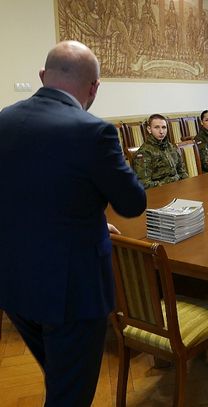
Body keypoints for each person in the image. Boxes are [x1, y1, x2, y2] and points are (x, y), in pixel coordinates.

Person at [0, 41, 146, 406]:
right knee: (71, 393)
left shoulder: (4, 120)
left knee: (61, 378)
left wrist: (88, 216)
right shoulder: (94, 132)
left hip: (15, 285)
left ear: (42, 76)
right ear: (95, 87)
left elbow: (34, 191)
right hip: (73, 293)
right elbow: (132, 203)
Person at [133, 113, 189, 188]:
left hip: (178, 188)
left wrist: (187, 185)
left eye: (164, 127)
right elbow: (144, 184)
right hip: (160, 192)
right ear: (149, 129)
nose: (161, 131)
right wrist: (171, 182)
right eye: (156, 127)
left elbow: (181, 171)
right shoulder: (144, 152)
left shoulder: (171, 146)